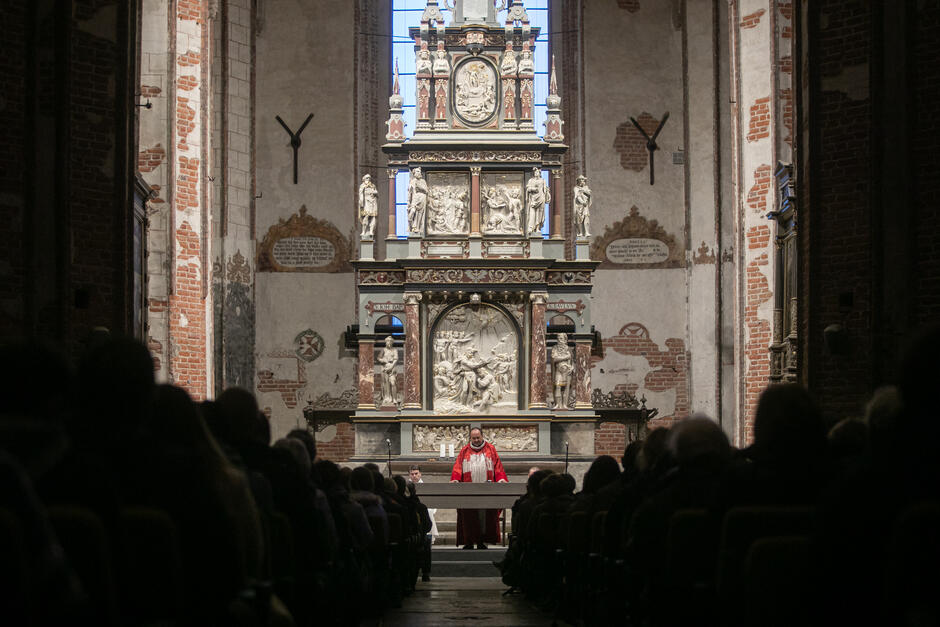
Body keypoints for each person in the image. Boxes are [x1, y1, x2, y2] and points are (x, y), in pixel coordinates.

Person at [450, 428, 508, 549]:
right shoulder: (464, 450)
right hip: (468, 491)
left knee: (483, 518)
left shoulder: (491, 449)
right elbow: (457, 467)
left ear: (482, 436)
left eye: (478, 438)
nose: (476, 440)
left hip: (486, 491)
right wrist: (455, 478)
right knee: (468, 517)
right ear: (470, 438)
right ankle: (469, 541)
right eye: (473, 438)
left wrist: (501, 479)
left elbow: (497, 466)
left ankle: (481, 541)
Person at [409, 465, 437, 582]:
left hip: (421, 516)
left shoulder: (426, 486)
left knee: (428, 512)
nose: (414, 476)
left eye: (416, 473)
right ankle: (425, 572)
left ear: (420, 474)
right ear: (409, 474)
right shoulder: (408, 486)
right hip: (413, 524)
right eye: (412, 474)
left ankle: (425, 573)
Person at [525, 167, 550, 234]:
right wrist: (533, 189)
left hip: (541, 198)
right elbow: (528, 189)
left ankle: (538, 228)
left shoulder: (543, 180)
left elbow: (545, 190)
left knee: (539, 214)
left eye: (537, 172)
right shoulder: (531, 180)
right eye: (535, 172)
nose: (536, 173)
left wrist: (547, 193)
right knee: (532, 214)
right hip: (533, 199)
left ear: (540, 173)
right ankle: (531, 228)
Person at [551, 332, 573, 409]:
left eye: (561, 338)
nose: (559, 340)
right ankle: (557, 404)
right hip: (558, 370)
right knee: (557, 386)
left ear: (565, 339)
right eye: (558, 338)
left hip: (567, 370)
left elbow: (571, 361)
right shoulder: (555, 348)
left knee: (566, 388)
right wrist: (566, 357)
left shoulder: (568, 348)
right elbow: (555, 359)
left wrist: (571, 367)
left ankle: (564, 404)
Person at [377, 336, 399, 407]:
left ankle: (394, 398)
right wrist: (383, 360)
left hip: (392, 367)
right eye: (387, 341)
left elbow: (396, 359)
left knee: (393, 382)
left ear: (392, 342)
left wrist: (391, 367)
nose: (388, 342)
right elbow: (378, 358)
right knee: (386, 383)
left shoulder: (394, 350)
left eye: (390, 341)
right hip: (385, 367)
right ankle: (387, 398)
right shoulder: (383, 350)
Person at [407, 167, 429, 235]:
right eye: (417, 171)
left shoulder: (423, 181)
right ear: (414, 173)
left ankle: (417, 228)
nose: (419, 173)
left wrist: (420, 187)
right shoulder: (412, 181)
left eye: (419, 171)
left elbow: (426, 190)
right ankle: (411, 225)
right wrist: (408, 201)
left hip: (422, 197)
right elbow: (409, 192)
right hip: (415, 198)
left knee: (420, 213)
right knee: (413, 211)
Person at [358, 173, 378, 239]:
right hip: (366, 202)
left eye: (369, 178)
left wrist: (374, 192)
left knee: (373, 217)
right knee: (366, 216)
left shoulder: (373, 185)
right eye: (367, 178)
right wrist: (361, 202)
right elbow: (360, 194)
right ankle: (364, 231)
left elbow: (376, 193)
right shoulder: (362, 186)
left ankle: (371, 231)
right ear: (364, 179)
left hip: (373, 203)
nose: (368, 179)